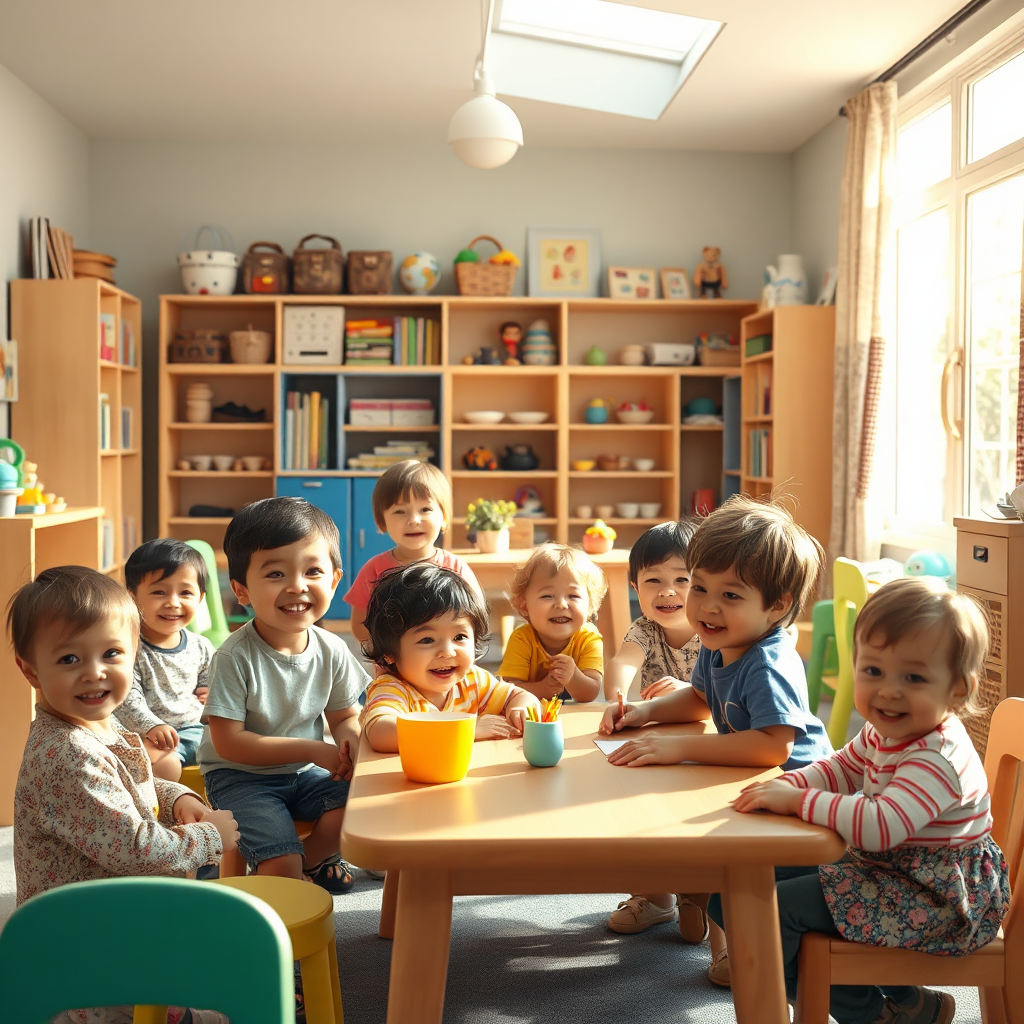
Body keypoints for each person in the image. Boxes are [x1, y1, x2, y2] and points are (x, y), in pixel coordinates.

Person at [732, 577, 1010, 1024]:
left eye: (913, 677)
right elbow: (840, 768)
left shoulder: (938, 755)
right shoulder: (885, 729)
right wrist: (788, 786)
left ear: (958, 689)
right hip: (891, 872)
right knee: (737, 887)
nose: (888, 691)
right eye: (873, 671)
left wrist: (798, 803)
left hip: (938, 898)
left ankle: (874, 1014)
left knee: (773, 911)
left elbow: (880, 826)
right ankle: (912, 1005)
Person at [599, 494, 832, 984]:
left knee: (726, 875)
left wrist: (679, 747)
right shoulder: (718, 639)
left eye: (730, 595)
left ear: (777, 604)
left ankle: (736, 943)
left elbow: (773, 745)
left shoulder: (768, 661)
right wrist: (645, 712)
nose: (706, 606)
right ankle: (678, 898)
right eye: (700, 587)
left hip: (796, 802)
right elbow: (701, 699)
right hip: (753, 785)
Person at [9, 565, 238, 1024]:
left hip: (110, 914)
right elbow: (137, 851)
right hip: (85, 944)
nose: (94, 673)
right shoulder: (68, 755)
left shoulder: (96, 720)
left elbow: (134, 783)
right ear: (30, 670)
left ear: (134, 653)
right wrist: (210, 838)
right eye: (69, 659)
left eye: (111, 653)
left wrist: (175, 798)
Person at [199, 496, 370, 893]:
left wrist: (351, 745)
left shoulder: (332, 648)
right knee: (281, 866)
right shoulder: (234, 656)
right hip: (240, 778)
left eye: (313, 571)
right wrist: (312, 749)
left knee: (364, 805)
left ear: (334, 580)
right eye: (275, 574)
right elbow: (229, 743)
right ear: (241, 590)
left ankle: (311, 861)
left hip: (303, 773)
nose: (297, 586)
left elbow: (344, 716)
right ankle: (288, 869)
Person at [602, 520, 703, 935]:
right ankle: (656, 896)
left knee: (698, 819)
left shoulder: (712, 627)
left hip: (710, 744)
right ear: (635, 587)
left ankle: (700, 894)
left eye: (682, 579)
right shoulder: (644, 629)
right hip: (657, 740)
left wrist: (689, 691)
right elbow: (623, 662)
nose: (667, 592)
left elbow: (717, 697)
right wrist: (617, 698)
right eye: (653, 581)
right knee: (637, 810)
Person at [360, 563, 539, 750]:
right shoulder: (393, 689)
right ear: (389, 653)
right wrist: (464, 731)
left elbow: (520, 696)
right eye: (427, 640)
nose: (447, 652)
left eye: (459, 637)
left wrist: (520, 709)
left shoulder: (472, 681)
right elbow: (380, 734)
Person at [345, 459, 482, 642]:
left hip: (444, 655)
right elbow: (360, 623)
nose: (413, 520)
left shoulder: (455, 567)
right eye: (400, 511)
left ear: (444, 517)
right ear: (382, 521)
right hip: (392, 658)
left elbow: (476, 616)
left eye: (425, 509)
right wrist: (381, 649)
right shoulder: (374, 569)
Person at [118, 538, 214, 782]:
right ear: (132, 597)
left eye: (185, 593)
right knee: (164, 764)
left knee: (239, 743)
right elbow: (127, 700)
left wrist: (213, 696)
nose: (173, 602)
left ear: (200, 598)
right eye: (159, 592)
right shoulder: (128, 648)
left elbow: (214, 684)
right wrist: (151, 726)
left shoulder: (200, 646)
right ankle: (166, 803)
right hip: (149, 734)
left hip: (195, 730)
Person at [500, 544, 607, 703]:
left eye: (573, 596)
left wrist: (573, 676)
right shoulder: (522, 638)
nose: (561, 604)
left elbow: (590, 694)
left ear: (590, 604)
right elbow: (508, 691)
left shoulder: (589, 638)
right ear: (524, 604)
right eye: (547, 596)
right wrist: (544, 688)